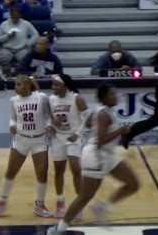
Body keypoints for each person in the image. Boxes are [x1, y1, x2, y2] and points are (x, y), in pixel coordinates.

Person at [47, 82, 140, 234]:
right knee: (85, 196)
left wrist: (76, 134)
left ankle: (102, 207)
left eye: (114, 93)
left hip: (107, 155)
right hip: (96, 156)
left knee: (133, 184)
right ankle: (59, 229)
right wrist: (120, 131)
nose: (115, 96)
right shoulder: (103, 114)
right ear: (104, 98)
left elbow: (85, 122)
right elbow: (101, 140)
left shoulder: (101, 111)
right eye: (111, 94)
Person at [0, 75, 53, 218]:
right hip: (21, 140)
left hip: (39, 140)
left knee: (42, 174)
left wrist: (49, 125)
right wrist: (12, 125)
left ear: (27, 85)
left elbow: (49, 116)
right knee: (11, 172)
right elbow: (12, 118)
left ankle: (40, 205)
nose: (16, 87)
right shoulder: (14, 100)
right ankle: (2, 200)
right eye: (15, 85)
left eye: (18, 84)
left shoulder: (41, 97)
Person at [47, 74, 89, 218]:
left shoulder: (76, 98)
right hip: (58, 137)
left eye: (56, 85)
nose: (53, 88)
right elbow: (50, 118)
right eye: (52, 85)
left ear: (65, 86)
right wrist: (51, 125)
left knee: (75, 168)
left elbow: (87, 120)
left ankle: (79, 205)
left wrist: (77, 134)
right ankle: (60, 202)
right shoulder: (51, 100)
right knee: (58, 171)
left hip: (74, 137)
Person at [0, 7, 39, 76]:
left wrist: (29, 43)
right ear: (10, 16)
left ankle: (20, 74)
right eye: (13, 17)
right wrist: (7, 36)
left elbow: (35, 35)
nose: (15, 19)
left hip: (22, 48)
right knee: (3, 58)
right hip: (7, 48)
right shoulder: (3, 24)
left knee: (25, 59)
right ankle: (6, 74)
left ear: (20, 16)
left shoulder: (26, 24)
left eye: (17, 17)